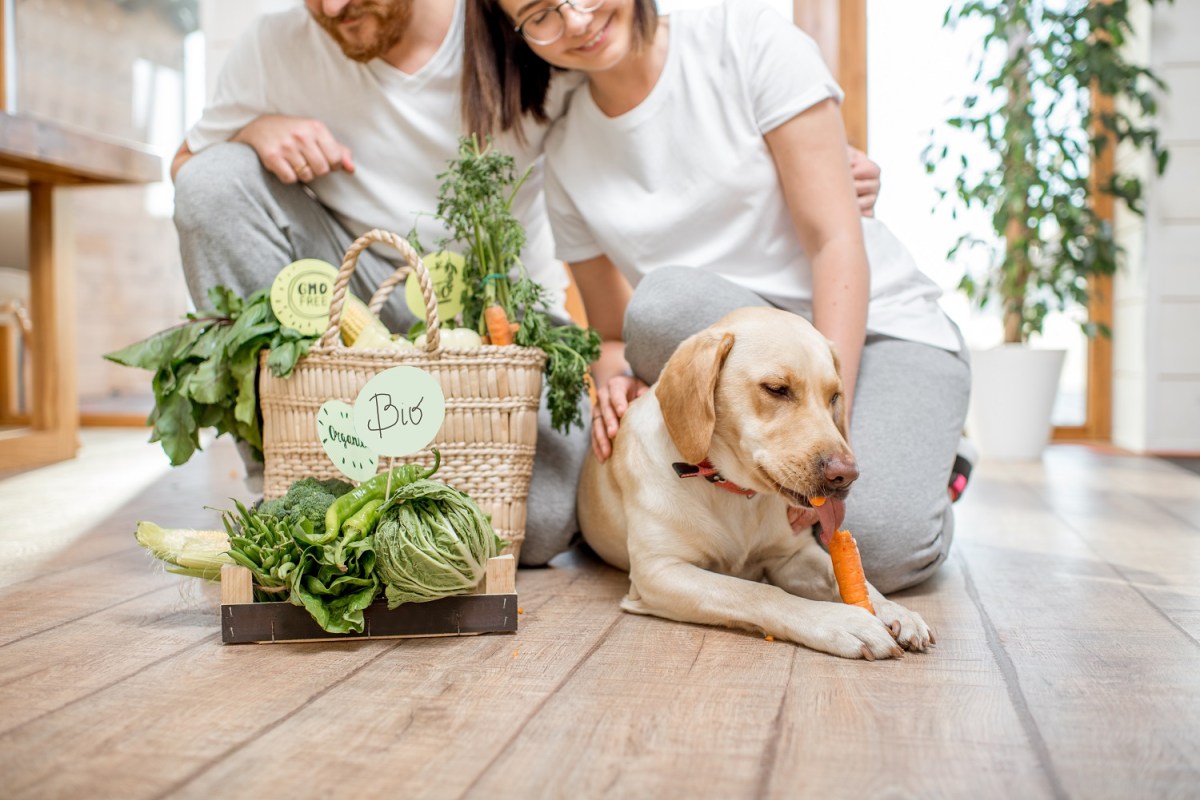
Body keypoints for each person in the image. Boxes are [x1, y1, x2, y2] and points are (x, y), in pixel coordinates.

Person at [171, 0, 882, 567]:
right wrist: (257, 129)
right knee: (213, 181)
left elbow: (647, 98)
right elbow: (189, 171)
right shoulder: (276, 45)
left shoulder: (524, 33)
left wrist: (803, 150)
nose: (331, 6)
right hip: (348, 290)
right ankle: (290, 479)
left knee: (536, 530)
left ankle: (404, 478)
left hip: (499, 317)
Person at [466, 0, 971, 592]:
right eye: (541, 14)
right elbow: (610, 332)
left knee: (883, 555)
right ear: (517, 33)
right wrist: (613, 381)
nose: (576, 21)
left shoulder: (749, 42)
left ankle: (937, 451)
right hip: (735, 351)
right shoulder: (570, 152)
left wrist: (831, 431)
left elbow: (837, 242)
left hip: (881, 327)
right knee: (659, 310)